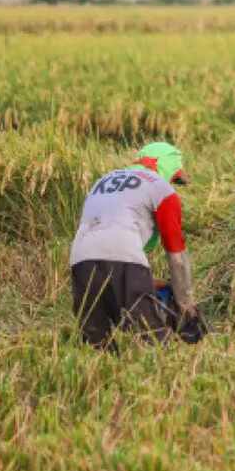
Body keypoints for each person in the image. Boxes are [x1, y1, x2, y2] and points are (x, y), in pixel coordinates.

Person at [69, 142, 200, 350]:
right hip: (124, 254)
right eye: (174, 178)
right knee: (153, 339)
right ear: (166, 167)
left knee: (95, 344)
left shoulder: (103, 180)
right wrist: (186, 304)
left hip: (80, 258)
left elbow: (108, 252)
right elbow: (177, 257)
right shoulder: (161, 188)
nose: (172, 183)